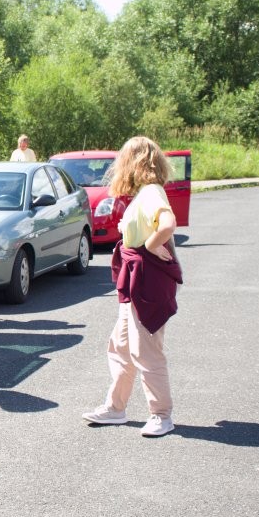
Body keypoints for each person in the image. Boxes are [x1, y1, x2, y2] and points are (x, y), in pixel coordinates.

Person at [82, 136, 183, 437]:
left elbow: (168, 223)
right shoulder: (146, 193)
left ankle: (161, 415)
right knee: (121, 346)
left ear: (134, 161)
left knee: (145, 349)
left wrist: (150, 247)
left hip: (146, 280)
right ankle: (116, 408)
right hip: (137, 279)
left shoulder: (151, 192)